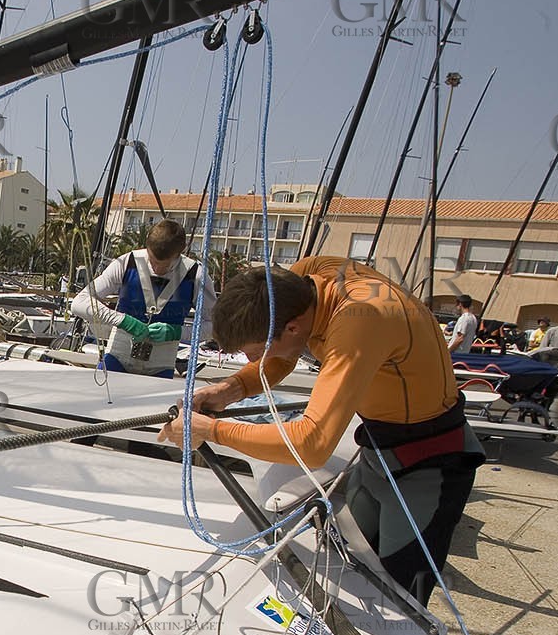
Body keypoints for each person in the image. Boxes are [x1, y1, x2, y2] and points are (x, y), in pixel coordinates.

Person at [160, 256, 484, 605]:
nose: (254, 361)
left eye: (253, 353)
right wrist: (232, 388)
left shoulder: (362, 319)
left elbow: (312, 444)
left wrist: (211, 430)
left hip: (429, 464)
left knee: (399, 600)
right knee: (344, 563)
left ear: (295, 327)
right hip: (377, 450)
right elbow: (282, 355)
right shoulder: (300, 283)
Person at [71, 219, 217, 378]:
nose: (157, 269)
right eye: (153, 261)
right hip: (116, 358)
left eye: (165, 265)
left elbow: (217, 326)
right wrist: (122, 320)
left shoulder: (196, 276)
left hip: (161, 366)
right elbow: (79, 303)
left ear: (181, 252)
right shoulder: (127, 262)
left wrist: (178, 332)